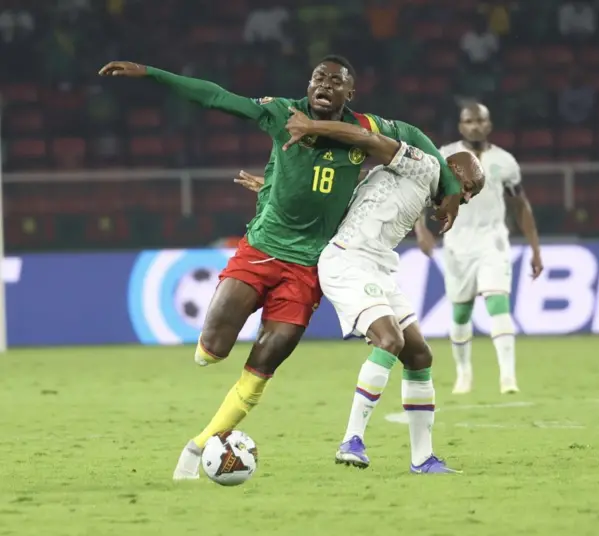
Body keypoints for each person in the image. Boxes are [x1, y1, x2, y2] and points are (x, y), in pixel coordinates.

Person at [98, 55, 463, 480]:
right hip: (261, 251)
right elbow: (217, 97)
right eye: (317, 78)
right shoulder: (281, 114)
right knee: (209, 352)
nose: (323, 85)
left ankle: (200, 446)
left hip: (308, 267)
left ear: (350, 93)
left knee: (266, 359)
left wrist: (451, 186)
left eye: (335, 81)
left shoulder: (362, 128)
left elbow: (415, 136)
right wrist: (152, 73)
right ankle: (220, 348)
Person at [236, 111, 484, 473]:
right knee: (389, 340)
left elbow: (342, 198)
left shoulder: (410, 184)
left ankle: (422, 459)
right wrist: (312, 127)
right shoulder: (426, 166)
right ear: (454, 172)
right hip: (348, 262)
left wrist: (275, 191)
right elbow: (367, 139)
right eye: (468, 189)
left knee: (419, 355)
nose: (466, 199)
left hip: (379, 268)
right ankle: (351, 441)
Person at [414, 103, 544, 395]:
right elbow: (421, 195)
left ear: (488, 124)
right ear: (461, 126)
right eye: (469, 121)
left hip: (493, 241)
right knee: (461, 313)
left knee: (498, 302)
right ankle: (464, 373)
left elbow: (520, 205)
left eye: (480, 121)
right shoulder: (444, 156)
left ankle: (508, 377)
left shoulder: (505, 161)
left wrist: (535, 248)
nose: (474, 126)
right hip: (457, 244)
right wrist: (420, 230)